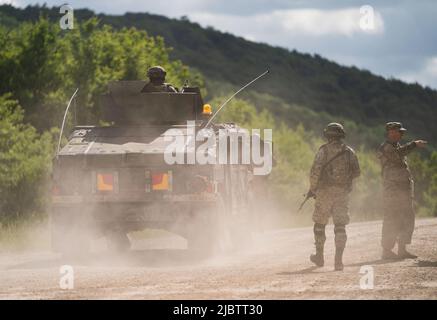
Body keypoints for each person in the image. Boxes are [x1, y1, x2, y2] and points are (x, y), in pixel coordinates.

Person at [309, 123, 360, 271]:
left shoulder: (323, 151)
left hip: (324, 192)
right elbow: (357, 172)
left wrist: (312, 189)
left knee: (319, 224)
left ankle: (319, 256)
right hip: (342, 193)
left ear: (327, 135)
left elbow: (315, 172)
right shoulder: (349, 152)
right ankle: (338, 261)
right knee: (340, 226)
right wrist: (346, 182)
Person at [378, 122, 427, 260]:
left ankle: (402, 249)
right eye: (396, 132)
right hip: (393, 191)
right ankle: (387, 251)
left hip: (403, 190)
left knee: (406, 218)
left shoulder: (396, 146)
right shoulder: (386, 147)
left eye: (399, 132)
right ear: (390, 133)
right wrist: (414, 144)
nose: (399, 134)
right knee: (391, 219)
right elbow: (397, 155)